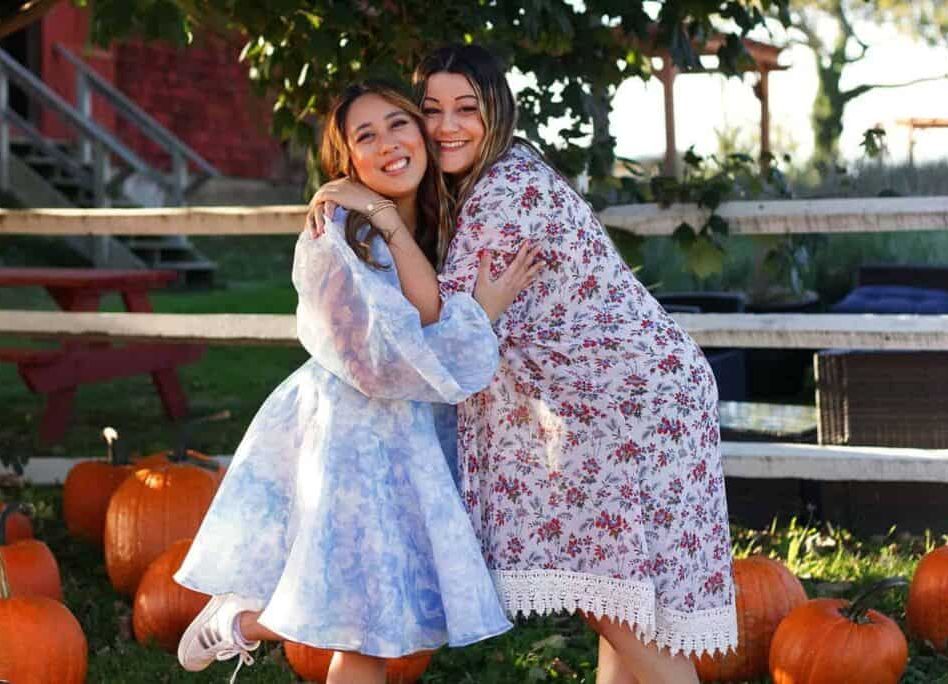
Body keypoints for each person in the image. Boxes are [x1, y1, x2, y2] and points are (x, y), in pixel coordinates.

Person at [307, 45, 737, 684]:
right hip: (629, 398)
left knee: (616, 602)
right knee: (612, 601)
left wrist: (375, 212)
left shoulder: (506, 190)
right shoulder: (488, 182)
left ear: (496, 112)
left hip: (629, 406)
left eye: (466, 109)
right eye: (432, 110)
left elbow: (445, 330)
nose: (448, 126)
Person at [173, 81, 543, 684]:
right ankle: (245, 620)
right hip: (355, 436)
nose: (389, 143)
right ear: (347, 163)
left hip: (410, 439)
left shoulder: (442, 216)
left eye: (399, 124)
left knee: (383, 616)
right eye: (365, 136)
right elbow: (402, 343)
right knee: (366, 623)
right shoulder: (337, 233)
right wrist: (478, 314)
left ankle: (246, 620)